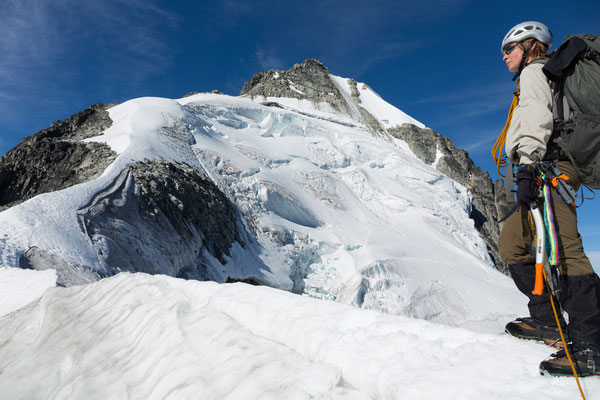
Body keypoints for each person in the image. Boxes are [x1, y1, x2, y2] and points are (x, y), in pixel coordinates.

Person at [497, 21, 600, 376]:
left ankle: (592, 346)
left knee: (565, 250)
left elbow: (537, 116)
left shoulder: (535, 72)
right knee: (512, 244)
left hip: (548, 169)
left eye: (509, 49)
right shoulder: (538, 73)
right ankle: (548, 320)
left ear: (529, 46)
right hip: (543, 168)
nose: (505, 56)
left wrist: (527, 164)